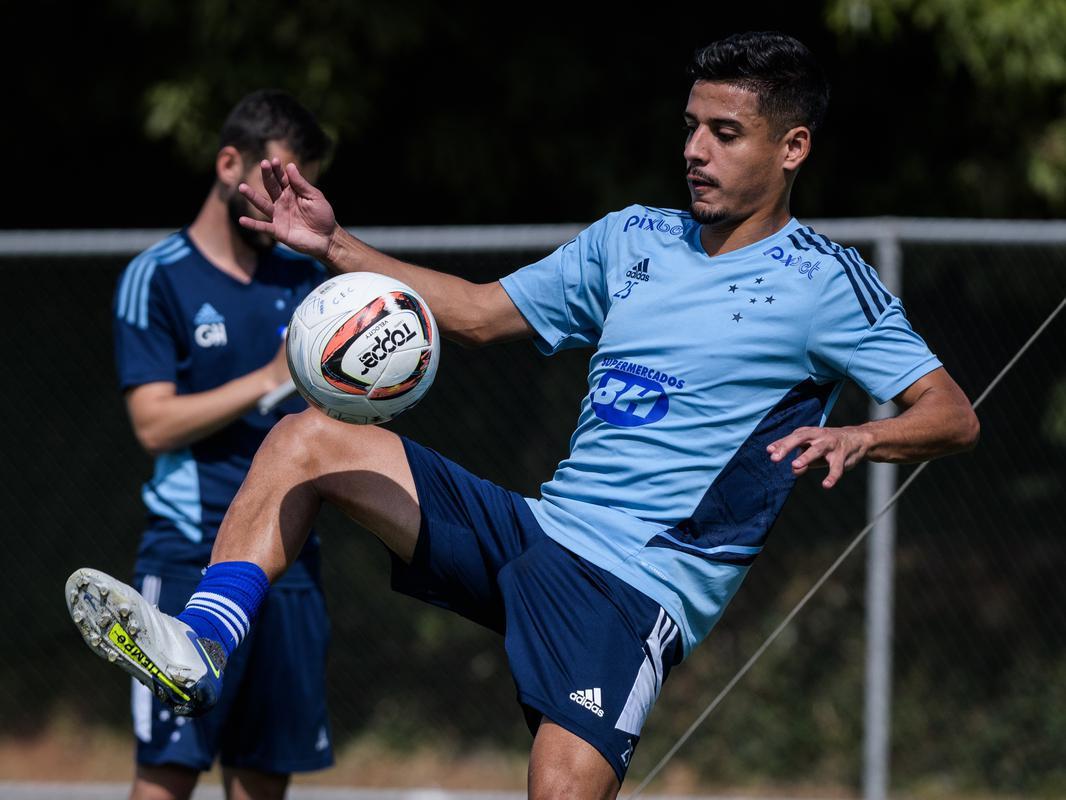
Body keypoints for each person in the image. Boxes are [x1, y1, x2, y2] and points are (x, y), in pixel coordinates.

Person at [69, 33, 979, 799]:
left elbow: (950, 415)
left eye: (726, 133)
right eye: (691, 127)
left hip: (634, 589)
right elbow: (474, 313)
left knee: (557, 791)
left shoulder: (824, 283)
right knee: (308, 437)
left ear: (793, 149)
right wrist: (333, 246)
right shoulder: (634, 236)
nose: (696, 149)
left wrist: (863, 433)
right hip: (538, 530)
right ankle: (202, 644)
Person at [105, 90, 334, 800]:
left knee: (264, 778)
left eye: (303, 182)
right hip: (188, 556)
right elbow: (153, 424)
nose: (289, 197)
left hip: (288, 560)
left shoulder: (306, 276)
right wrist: (267, 379)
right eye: (278, 177)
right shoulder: (157, 277)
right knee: (168, 775)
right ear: (229, 162)